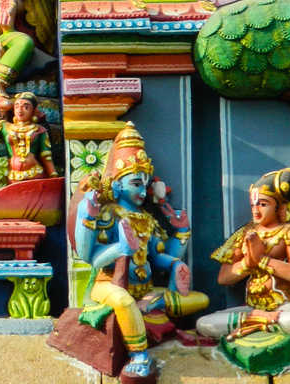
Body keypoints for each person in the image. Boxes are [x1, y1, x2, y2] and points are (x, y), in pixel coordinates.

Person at [71, 123, 208, 381]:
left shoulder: (146, 218)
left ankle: (151, 304)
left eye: (145, 184)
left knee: (200, 299)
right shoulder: (108, 214)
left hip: (144, 289)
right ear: (118, 185)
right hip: (106, 284)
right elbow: (93, 258)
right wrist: (120, 249)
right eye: (136, 183)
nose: (143, 191)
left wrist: (181, 237)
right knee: (122, 301)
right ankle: (139, 355)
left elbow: (158, 257)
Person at [196, 168, 290, 342]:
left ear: (280, 207)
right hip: (252, 309)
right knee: (204, 324)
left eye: (263, 204)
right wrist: (248, 263)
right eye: (253, 205)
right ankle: (258, 319)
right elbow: (224, 278)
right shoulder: (246, 233)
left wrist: (262, 260)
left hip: (284, 308)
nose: (256, 210)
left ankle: (257, 323)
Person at [0, 83, 56, 183]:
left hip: (35, 173)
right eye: (17, 106)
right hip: (14, 176)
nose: (20, 110)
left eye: (26, 107)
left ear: (33, 111)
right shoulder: (7, 128)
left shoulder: (39, 130)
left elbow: (46, 156)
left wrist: (53, 176)